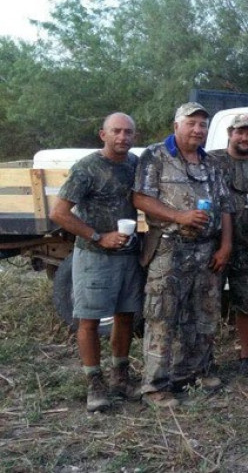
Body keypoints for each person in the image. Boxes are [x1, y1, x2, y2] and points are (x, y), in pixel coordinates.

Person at [133, 102, 234, 408]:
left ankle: (194, 372)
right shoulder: (155, 156)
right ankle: (155, 386)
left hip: (206, 250)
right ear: (176, 125)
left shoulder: (210, 163)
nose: (198, 129)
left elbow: (226, 206)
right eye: (191, 123)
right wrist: (180, 216)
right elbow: (140, 198)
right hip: (168, 248)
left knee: (203, 314)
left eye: (202, 124)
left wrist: (226, 245)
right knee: (162, 315)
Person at [50, 113, 144, 412]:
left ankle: (120, 375)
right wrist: (97, 236)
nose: (122, 137)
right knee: (89, 320)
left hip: (128, 254)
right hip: (95, 256)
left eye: (128, 132)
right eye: (116, 131)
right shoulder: (87, 168)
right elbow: (60, 213)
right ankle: (94, 381)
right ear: (102, 135)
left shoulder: (134, 165)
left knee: (126, 316)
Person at [208, 114, 248, 378]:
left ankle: (245, 357)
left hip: (246, 245)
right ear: (230, 133)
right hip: (212, 246)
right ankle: (204, 359)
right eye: (240, 132)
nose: (244, 138)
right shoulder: (211, 160)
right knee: (207, 304)